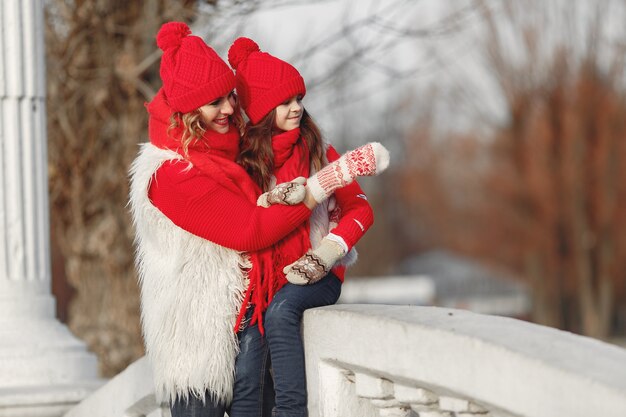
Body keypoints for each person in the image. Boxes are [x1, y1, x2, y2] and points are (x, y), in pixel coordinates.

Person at [129, 23, 389, 417]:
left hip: (247, 318)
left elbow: (353, 208)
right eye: (216, 102)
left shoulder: (238, 151)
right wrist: (326, 182)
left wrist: (329, 246)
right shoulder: (170, 174)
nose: (230, 110)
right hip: (201, 344)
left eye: (231, 97)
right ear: (188, 109)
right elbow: (250, 229)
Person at [227, 37, 382, 417]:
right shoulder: (246, 162)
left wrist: (329, 251)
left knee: (281, 312)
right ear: (263, 111)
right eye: (285, 102)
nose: (297, 107)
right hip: (267, 279)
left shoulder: (319, 150)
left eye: (299, 97)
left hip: (320, 272)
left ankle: (291, 411)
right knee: (248, 366)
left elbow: (361, 210)